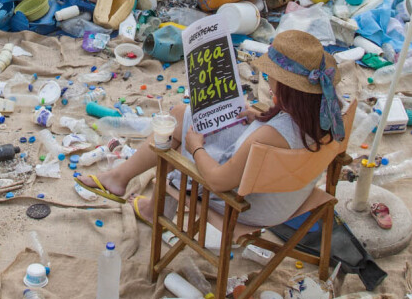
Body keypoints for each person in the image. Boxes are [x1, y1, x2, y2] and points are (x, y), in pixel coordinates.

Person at [89, 30, 344, 227]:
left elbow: (219, 181)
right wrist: (260, 117)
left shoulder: (271, 135)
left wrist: (196, 147)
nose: (268, 80)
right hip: (287, 193)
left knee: (175, 140)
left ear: (289, 88)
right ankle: (121, 179)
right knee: (181, 113)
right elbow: (285, 136)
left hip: (248, 206)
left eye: (271, 75)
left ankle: (146, 203)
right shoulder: (326, 112)